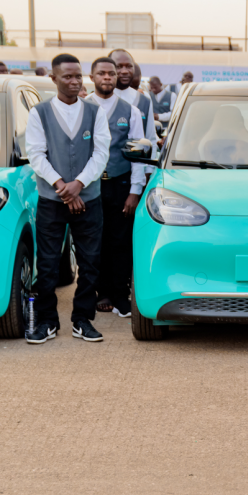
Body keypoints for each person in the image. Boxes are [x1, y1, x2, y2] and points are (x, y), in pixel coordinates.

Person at [24, 54, 109, 344]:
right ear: (54, 79)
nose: (74, 82)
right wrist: (63, 186)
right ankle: (48, 321)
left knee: (90, 262)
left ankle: (82, 320)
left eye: (78, 76)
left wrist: (79, 184)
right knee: (47, 264)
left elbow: (101, 153)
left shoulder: (95, 112)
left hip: (89, 199)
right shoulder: (39, 112)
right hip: (51, 199)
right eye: (67, 77)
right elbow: (36, 154)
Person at [86, 57, 147, 318]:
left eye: (111, 73)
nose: (108, 77)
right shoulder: (82, 106)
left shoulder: (130, 110)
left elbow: (136, 153)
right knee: (93, 241)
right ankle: (102, 292)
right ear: (92, 77)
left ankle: (121, 295)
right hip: (90, 186)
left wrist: (135, 191)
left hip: (121, 184)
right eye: (102, 73)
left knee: (121, 241)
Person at [109, 49, 157, 144]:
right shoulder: (94, 101)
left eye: (129, 66)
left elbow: (150, 138)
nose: (124, 71)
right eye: (119, 66)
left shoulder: (145, 100)